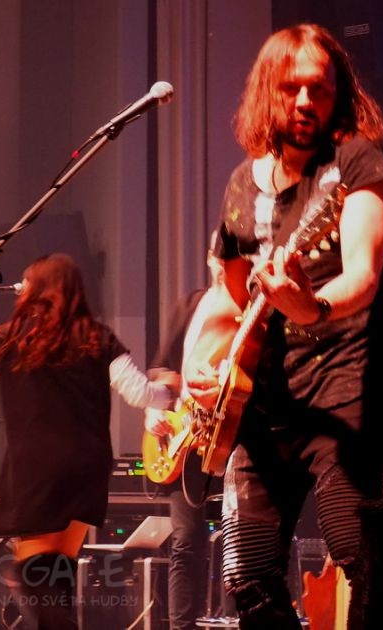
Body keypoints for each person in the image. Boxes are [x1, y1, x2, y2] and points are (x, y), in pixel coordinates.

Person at [183, 23, 383, 629]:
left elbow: (362, 273)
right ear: (267, 90)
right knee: (247, 577)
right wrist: (202, 369)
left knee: (360, 556)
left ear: (340, 93)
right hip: (263, 403)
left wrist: (311, 307)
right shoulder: (241, 185)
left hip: (342, 394)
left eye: (321, 88)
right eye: (292, 88)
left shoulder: (358, 161)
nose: (307, 101)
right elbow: (227, 300)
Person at [0, 253, 178, 629]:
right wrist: (169, 390)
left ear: (34, 291)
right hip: (87, 470)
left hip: (37, 470)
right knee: (57, 574)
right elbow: (140, 393)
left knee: (30, 575)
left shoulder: (7, 339)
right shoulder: (97, 338)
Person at [146, 238, 225, 629]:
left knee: (245, 541)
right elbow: (161, 370)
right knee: (186, 542)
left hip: (232, 435)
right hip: (187, 441)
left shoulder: (252, 308)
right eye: (221, 254)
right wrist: (154, 412)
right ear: (210, 258)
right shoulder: (190, 306)